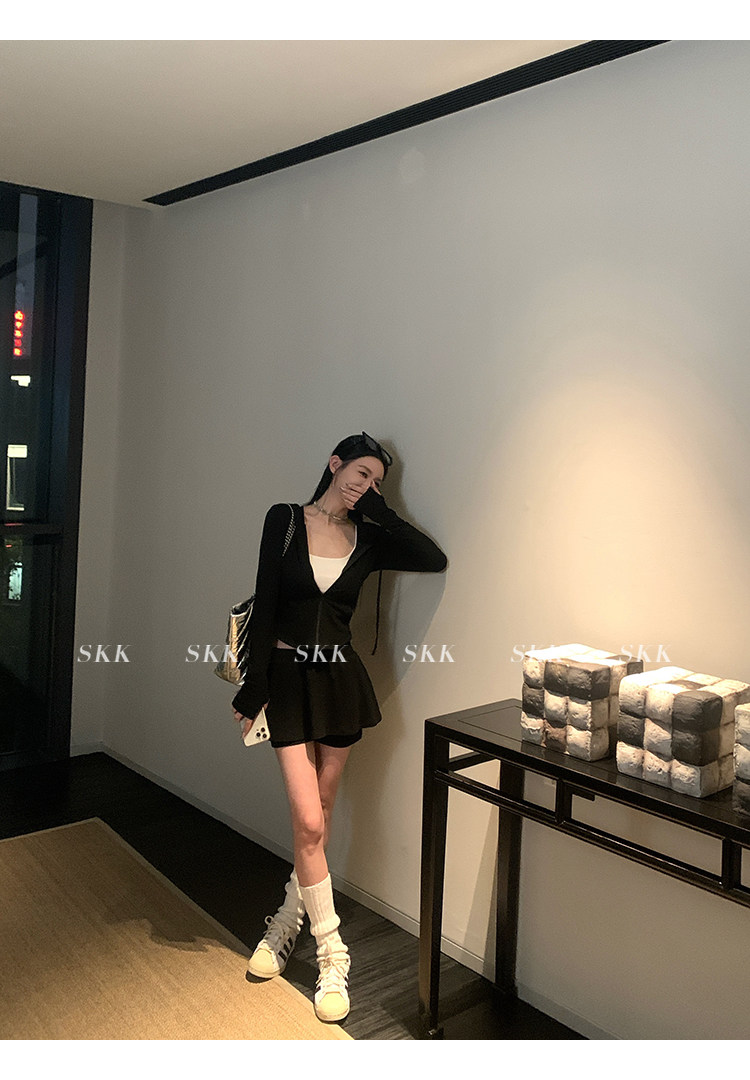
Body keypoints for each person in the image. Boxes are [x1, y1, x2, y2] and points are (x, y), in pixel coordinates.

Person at [231, 432, 447, 1023]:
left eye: (376, 480)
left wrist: (380, 511)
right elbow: (266, 600)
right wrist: (254, 684)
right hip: (285, 680)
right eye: (360, 473)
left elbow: (432, 558)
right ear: (334, 464)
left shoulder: (368, 538)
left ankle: (286, 920)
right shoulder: (284, 520)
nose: (365, 485)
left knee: (322, 813)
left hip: (341, 680)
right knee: (308, 820)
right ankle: (332, 953)